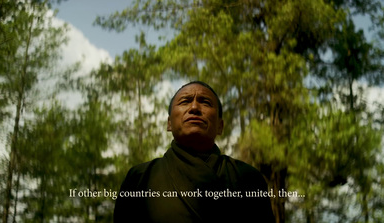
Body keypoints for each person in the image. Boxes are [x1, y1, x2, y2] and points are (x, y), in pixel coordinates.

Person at [114, 81, 275, 222]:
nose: (194, 108)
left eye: (205, 102)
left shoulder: (248, 178)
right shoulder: (140, 178)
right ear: (169, 123)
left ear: (220, 126)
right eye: (185, 101)